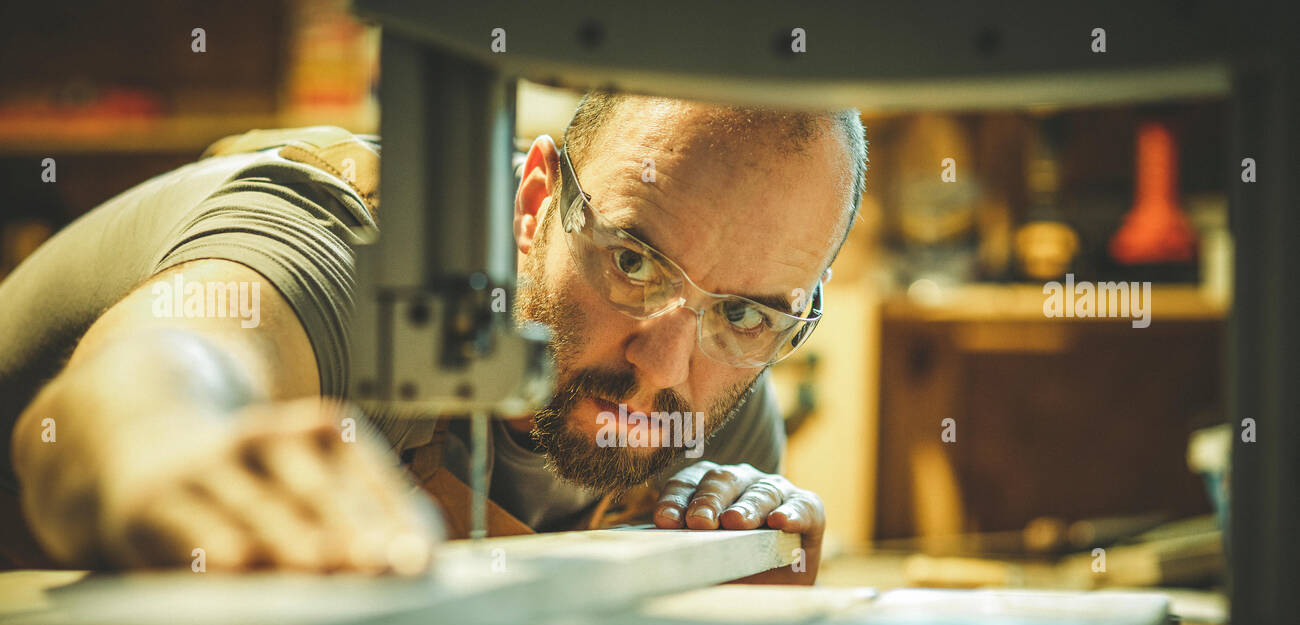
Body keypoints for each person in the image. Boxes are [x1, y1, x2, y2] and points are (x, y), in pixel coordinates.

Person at [1, 93, 867, 584]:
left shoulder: (709, 427)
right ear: (534, 206)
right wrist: (166, 445)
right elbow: (153, 373)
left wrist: (747, 588)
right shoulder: (367, 254)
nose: (664, 369)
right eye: (635, 261)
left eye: (745, 314)